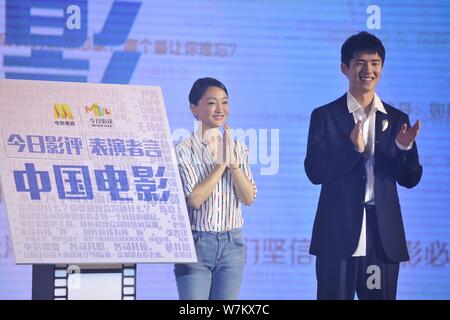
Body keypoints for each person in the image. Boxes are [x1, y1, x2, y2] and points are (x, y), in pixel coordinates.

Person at [304, 31, 422, 300]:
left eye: (375, 63)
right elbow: (315, 172)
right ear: (345, 68)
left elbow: (410, 178)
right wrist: (352, 149)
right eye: (360, 63)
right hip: (337, 233)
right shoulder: (325, 116)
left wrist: (404, 148)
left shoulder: (396, 119)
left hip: (382, 237)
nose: (368, 70)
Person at [173, 77, 257, 300]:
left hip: (232, 245)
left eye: (225, 102)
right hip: (196, 245)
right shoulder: (183, 150)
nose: (220, 109)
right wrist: (220, 165)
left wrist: (233, 163)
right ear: (194, 108)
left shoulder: (238, 147)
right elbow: (194, 199)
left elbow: (248, 197)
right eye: (211, 103)